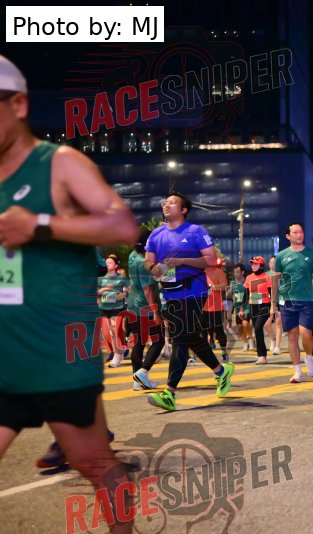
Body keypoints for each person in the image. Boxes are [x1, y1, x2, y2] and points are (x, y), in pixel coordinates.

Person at [0, 54, 139, 532]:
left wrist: (40, 224)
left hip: (58, 350)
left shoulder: (58, 163)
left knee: (94, 463)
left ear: (18, 105)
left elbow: (123, 225)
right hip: (5, 351)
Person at [143, 192, 235, 411]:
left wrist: (182, 260)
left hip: (194, 290)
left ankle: (169, 394)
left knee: (180, 339)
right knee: (190, 336)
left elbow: (210, 260)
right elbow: (148, 261)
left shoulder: (196, 231)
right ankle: (221, 371)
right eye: (165, 202)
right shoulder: (156, 234)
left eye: (172, 202)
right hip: (170, 293)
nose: (166, 205)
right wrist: (153, 268)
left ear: (183, 210)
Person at [270, 223, 313, 383]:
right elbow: (275, 281)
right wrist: (273, 304)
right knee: (292, 336)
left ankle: (308, 357)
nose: (299, 234)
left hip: (307, 301)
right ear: (288, 236)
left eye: (301, 232)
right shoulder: (281, 256)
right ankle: (298, 372)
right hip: (287, 301)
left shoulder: (311, 254)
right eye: (295, 232)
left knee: (306, 333)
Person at [128, 229, 164, 390]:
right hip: (146, 308)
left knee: (139, 342)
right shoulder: (144, 263)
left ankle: (137, 381)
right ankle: (143, 372)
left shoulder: (132, 255)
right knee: (159, 341)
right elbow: (148, 290)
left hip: (133, 305)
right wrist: (156, 313)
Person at [97, 253, 130, 367]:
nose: (107, 264)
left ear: (116, 265)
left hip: (117, 307)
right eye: (106, 262)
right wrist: (105, 289)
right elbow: (97, 292)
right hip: (104, 307)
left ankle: (117, 355)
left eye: (110, 262)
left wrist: (124, 293)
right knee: (108, 333)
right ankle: (120, 350)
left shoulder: (121, 278)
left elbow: (129, 289)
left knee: (115, 331)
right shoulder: (101, 278)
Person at [244, 256, 272, 364]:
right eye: (252, 264)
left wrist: (274, 307)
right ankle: (261, 355)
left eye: (256, 264)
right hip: (253, 307)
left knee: (258, 327)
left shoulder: (267, 277)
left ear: (261, 265)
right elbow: (246, 295)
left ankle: (262, 356)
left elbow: (272, 293)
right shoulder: (249, 278)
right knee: (257, 331)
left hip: (264, 306)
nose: (253, 266)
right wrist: (241, 309)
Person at [203, 259, 229, 361]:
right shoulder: (201, 273)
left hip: (216, 307)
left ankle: (224, 351)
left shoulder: (218, 272)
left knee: (219, 330)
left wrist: (214, 287)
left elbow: (224, 286)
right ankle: (202, 353)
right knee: (202, 331)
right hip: (203, 307)